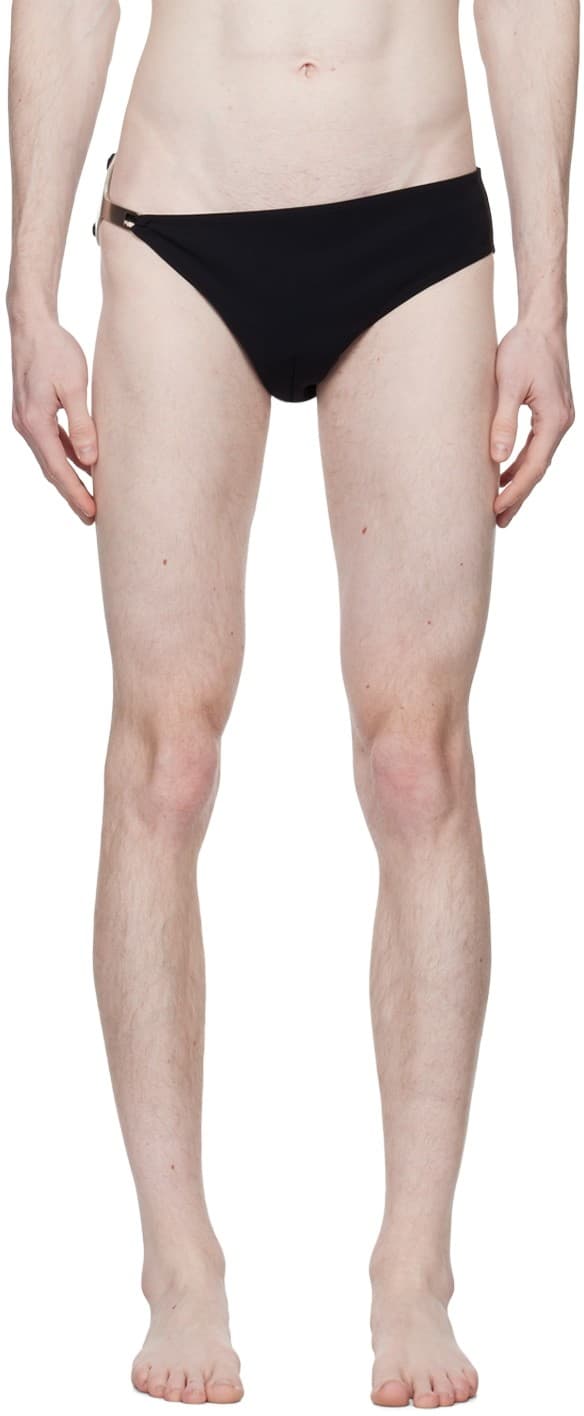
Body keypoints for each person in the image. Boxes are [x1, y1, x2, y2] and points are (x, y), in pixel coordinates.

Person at [6, 0, 578, 1407]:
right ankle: (177, 1263)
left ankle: (416, 1268)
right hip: (181, 217)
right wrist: (31, 291)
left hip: (417, 218)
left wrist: (546, 297)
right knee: (166, 761)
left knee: (418, 762)